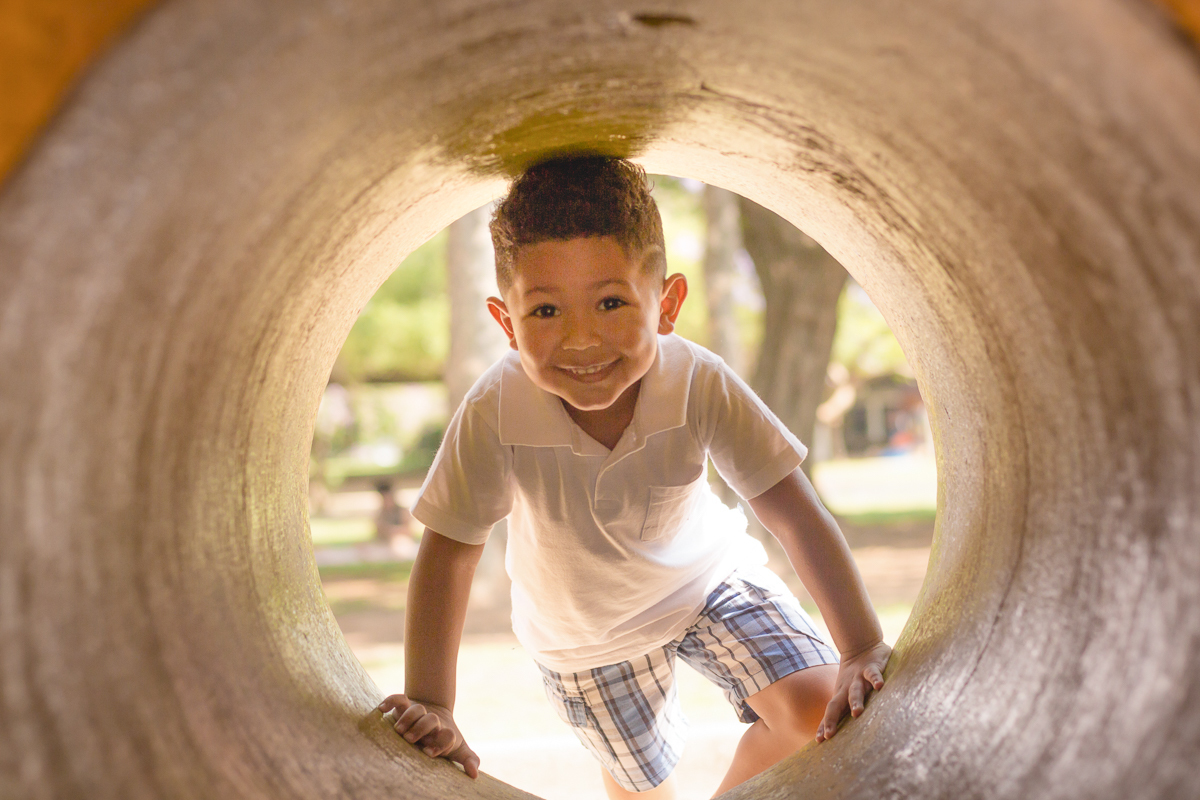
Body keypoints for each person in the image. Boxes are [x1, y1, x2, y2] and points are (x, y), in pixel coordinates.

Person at [378, 157, 891, 798]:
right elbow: (449, 552)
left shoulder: (696, 380)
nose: (582, 338)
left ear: (667, 304)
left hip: (707, 581)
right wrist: (435, 704)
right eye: (545, 312)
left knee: (819, 709)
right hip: (585, 635)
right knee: (641, 788)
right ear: (505, 323)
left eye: (611, 301)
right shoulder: (496, 409)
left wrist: (861, 645)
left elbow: (791, 509)